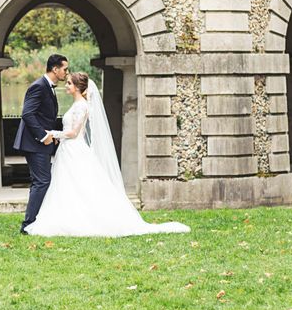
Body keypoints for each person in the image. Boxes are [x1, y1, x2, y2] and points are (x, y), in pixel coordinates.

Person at [24, 72, 190, 237]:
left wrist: (53, 133)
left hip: (74, 149)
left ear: (77, 87)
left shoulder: (82, 106)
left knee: (78, 184)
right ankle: (66, 216)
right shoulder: (77, 104)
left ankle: (81, 219)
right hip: (68, 150)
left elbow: (74, 133)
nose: (66, 85)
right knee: (67, 184)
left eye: (69, 83)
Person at [14, 54, 69, 234]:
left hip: (41, 143)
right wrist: (43, 136)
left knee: (41, 181)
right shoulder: (38, 86)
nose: (66, 73)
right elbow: (27, 114)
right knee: (42, 181)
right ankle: (28, 224)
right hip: (34, 143)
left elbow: (45, 116)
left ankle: (36, 221)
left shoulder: (48, 87)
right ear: (55, 69)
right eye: (64, 69)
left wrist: (54, 134)